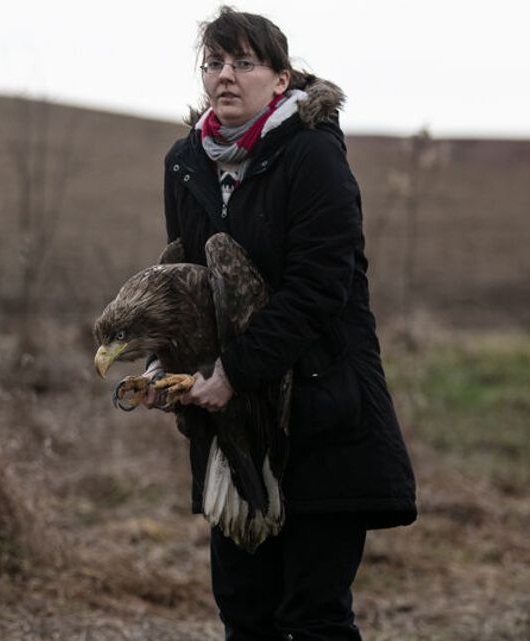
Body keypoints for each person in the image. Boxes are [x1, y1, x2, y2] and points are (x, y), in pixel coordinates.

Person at [158, 6, 417, 639]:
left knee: (313, 617)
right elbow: (188, 285)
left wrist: (235, 372)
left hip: (322, 415)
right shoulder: (184, 163)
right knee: (245, 613)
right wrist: (169, 366)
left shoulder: (311, 157)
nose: (225, 76)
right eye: (214, 63)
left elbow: (320, 290)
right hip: (238, 434)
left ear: (279, 79)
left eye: (244, 63)